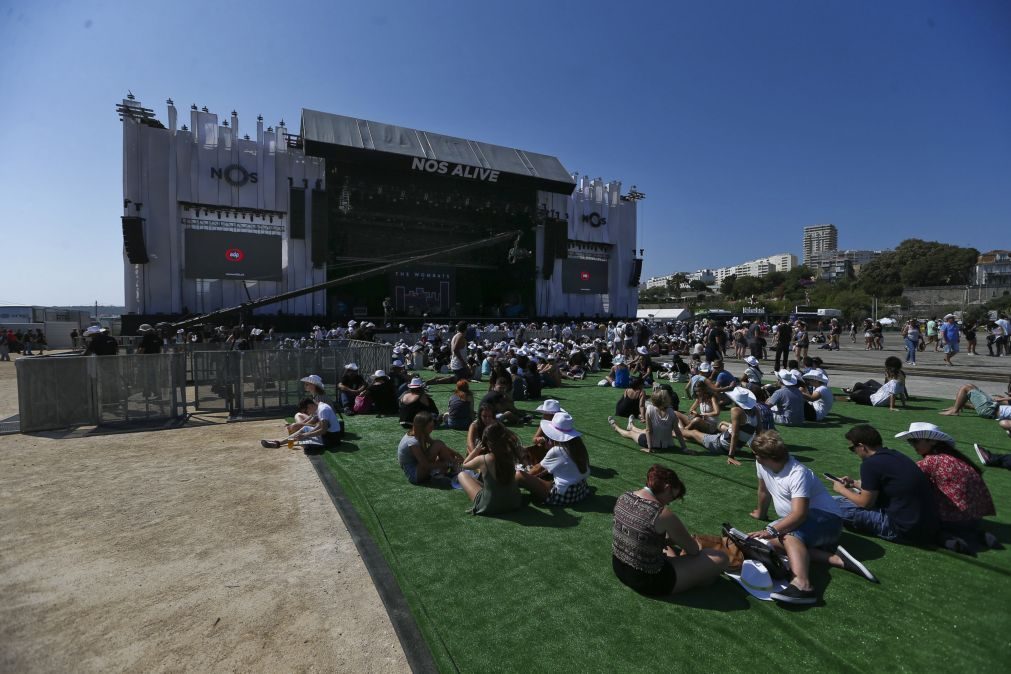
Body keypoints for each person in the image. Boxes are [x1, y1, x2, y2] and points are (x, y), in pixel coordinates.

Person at [748, 431, 877, 604]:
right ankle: (836, 559)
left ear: (761, 456)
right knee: (769, 546)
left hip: (828, 520)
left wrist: (771, 529)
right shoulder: (762, 464)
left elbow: (799, 515)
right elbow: (763, 490)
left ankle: (803, 585)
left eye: (755, 455)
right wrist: (760, 513)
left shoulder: (797, 473)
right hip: (804, 522)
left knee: (788, 536)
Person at [611, 465, 729, 596]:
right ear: (667, 488)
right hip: (649, 580)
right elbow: (693, 550)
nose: (669, 503)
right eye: (672, 497)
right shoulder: (662, 514)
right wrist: (682, 541)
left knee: (665, 547)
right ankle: (699, 580)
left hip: (619, 568)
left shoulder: (623, 497)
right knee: (721, 558)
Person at [896, 422, 997, 553]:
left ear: (932, 441)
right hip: (975, 519)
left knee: (914, 521)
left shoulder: (930, 462)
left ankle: (947, 539)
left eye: (915, 441)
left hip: (951, 521)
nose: (913, 445)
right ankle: (976, 535)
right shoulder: (957, 459)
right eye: (911, 442)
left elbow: (903, 479)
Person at [831, 424, 940, 544]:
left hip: (900, 529)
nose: (854, 452)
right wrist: (855, 483)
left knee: (829, 503)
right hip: (926, 526)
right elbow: (887, 487)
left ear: (862, 446)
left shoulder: (870, 464)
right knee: (838, 501)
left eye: (853, 448)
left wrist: (841, 489)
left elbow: (866, 503)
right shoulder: (894, 455)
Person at [515, 412, 591, 506]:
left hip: (565, 495)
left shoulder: (558, 450)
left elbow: (534, 471)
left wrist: (524, 464)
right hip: (581, 489)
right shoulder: (578, 445)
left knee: (519, 475)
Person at [680, 387, 760, 465]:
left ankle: (676, 432)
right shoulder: (755, 411)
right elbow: (759, 432)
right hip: (732, 445)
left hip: (720, 444)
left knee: (694, 433)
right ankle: (681, 431)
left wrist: (731, 456)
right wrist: (756, 451)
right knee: (697, 433)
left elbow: (735, 434)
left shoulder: (736, 410)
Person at [457, 422, 524, 516]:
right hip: (514, 502)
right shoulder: (511, 453)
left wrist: (476, 450)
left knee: (461, 475)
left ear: (487, 442)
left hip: (491, 506)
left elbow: (464, 465)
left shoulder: (483, 459)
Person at [608, 389, 687, 453]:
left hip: (653, 444)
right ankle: (631, 426)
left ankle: (616, 427)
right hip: (667, 444)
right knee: (643, 431)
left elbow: (648, 430)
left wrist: (649, 448)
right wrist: (684, 448)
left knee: (631, 434)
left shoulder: (649, 409)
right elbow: (678, 432)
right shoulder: (672, 412)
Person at [397, 412, 463, 485]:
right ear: (422, 427)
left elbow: (440, 445)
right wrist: (448, 463)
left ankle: (445, 472)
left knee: (439, 444)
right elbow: (426, 465)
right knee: (438, 446)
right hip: (414, 474)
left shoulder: (421, 433)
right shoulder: (413, 442)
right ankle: (447, 472)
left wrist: (455, 453)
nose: (432, 429)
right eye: (430, 427)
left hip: (420, 465)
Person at [261, 397, 343, 450]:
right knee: (304, 431)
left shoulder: (323, 410)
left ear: (309, 406)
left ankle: (282, 443)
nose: (307, 413)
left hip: (331, 440)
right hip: (329, 436)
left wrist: (306, 435)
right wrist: (307, 432)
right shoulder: (320, 407)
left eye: (305, 411)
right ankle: (279, 443)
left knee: (304, 440)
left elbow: (323, 429)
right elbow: (320, 426)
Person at [839, 360, 905, 411]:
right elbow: (902, 395)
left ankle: (849, 396)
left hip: (874, 401)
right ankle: (850, 394)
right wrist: (904, 405)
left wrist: (891, 407)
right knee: (859, 391)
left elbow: (893, 395)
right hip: (875, 396)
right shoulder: (900, 383)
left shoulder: (894, 383)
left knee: (853, 395)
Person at [939, 383, 1011, 420]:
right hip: (992, 409)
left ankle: (955, 410)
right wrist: (1004, 398)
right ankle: (958, 406)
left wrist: (1002, 399)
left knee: (966, 388)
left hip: (990, 410)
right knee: (971, 386)